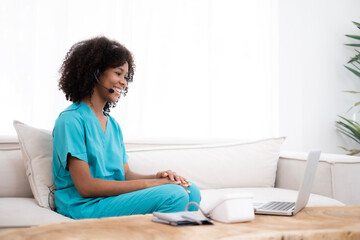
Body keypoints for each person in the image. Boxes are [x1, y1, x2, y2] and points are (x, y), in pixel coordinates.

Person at [52, 36, 201, 219]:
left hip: (111, 199)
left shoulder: (113, 125)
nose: (124, 82)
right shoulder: (71, 120)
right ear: (95, 71)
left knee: (190, 190)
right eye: (118, 73)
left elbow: (125, 174)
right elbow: (86, 187)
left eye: (126, 77)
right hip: (84, 205)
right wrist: (153, 185)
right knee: (174, 195)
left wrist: (159, 178)